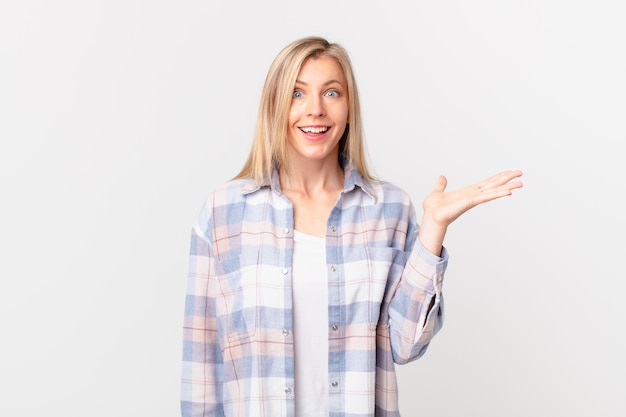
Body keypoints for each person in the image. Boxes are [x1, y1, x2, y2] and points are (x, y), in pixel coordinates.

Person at [180, 36, 523, 417]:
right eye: (297, 93)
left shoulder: (388, 209)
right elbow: (202, 364)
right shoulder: (223, 212)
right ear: (274, 105)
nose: (315, 110)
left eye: (331, 93)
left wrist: (433, 230)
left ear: (348, 108)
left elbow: (406, 346)